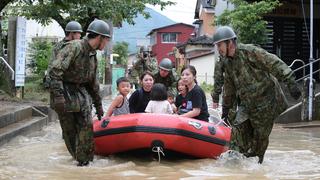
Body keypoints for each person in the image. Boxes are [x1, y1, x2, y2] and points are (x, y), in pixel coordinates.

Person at [212, 26, 302, 163]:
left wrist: (290, 82)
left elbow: (273, 62)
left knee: (259, 140)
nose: (218, 49)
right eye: (217, 45)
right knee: (237, 131)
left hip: (266, 102)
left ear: (230, 42)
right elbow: (229, 88)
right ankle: (235, 167)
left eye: (220, 45)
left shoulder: (249, 52)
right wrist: (226, 108)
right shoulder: (227, 62)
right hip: (247, 104)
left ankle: (257, 167)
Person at [48, 19, 111, 166]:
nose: (106, 43)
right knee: (70, 133)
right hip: (64, 93)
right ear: (100, 37)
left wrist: (98, 104)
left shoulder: (92, 55)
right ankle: (78, 162)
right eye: (106, 40)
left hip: (81, 94)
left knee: (86, 130)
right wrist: (58, 96)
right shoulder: (74, 47)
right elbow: (54, 71)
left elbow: (92, 82)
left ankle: (84, 165)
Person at [44, 21, 83, 89]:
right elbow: (51, 63)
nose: (80, 35)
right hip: (59, 84)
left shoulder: (79, 46)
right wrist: (48, 79)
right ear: (71, 33)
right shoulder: (58, 46)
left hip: (73, 84)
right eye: (78, 33)